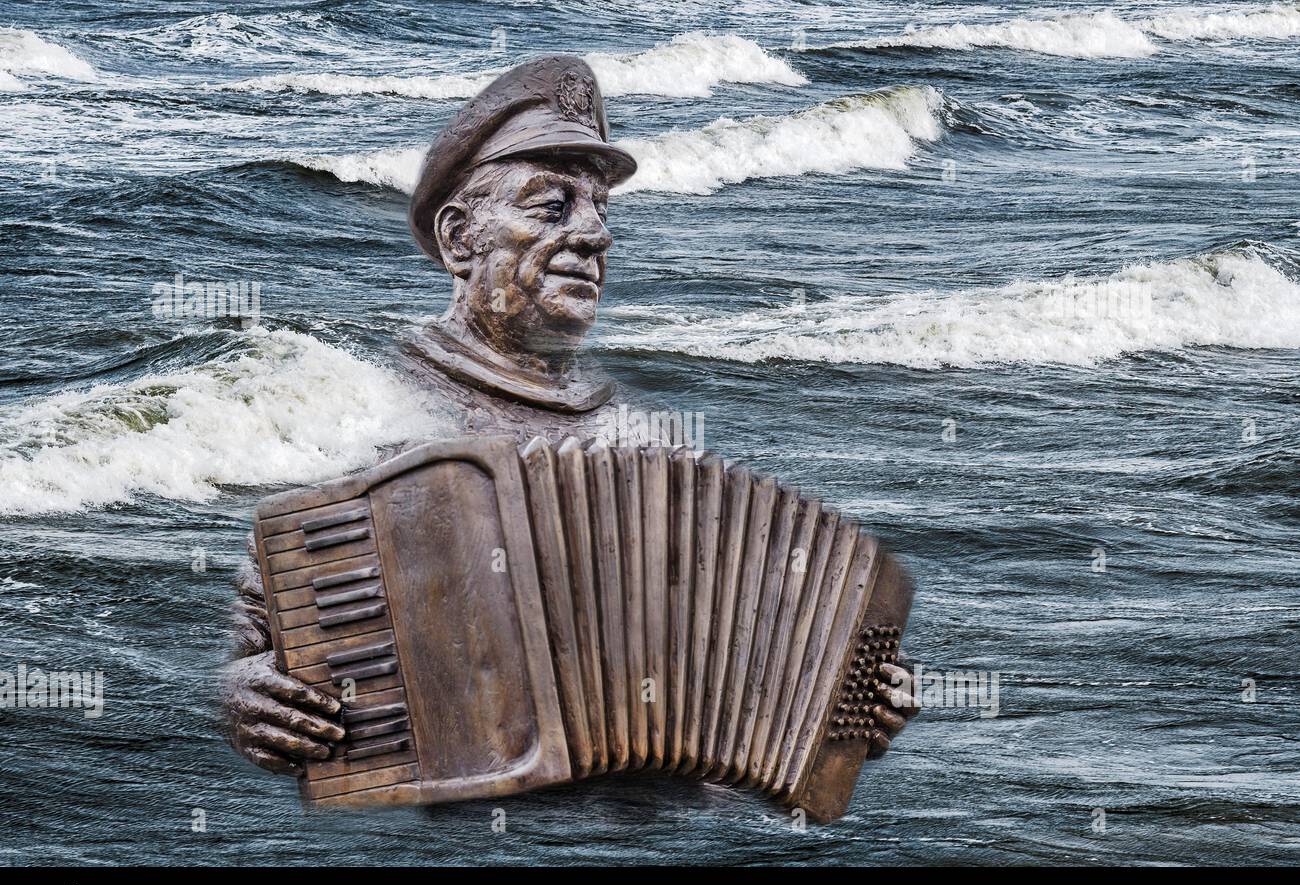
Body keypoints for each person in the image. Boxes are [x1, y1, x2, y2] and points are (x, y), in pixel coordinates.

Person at [220, 56, 918, 781]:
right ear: (461, 239)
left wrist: (850, 703)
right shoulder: (365, 411)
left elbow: (738, 644)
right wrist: (239, 694)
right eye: (552, 208)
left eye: (600, 211)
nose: (595, 236)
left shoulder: (646, 442)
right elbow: (250, 643)